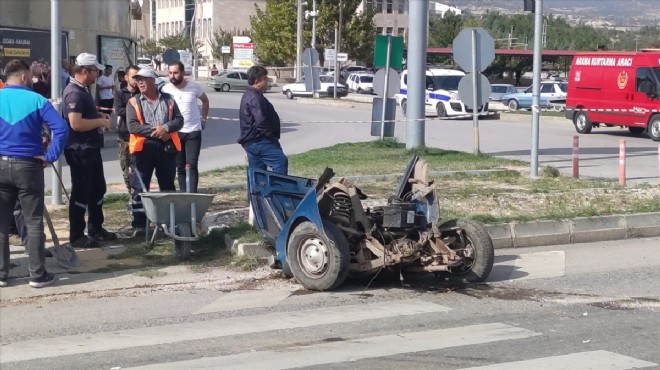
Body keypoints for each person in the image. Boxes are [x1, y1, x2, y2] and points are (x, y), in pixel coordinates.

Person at [0, 59, 68, 288]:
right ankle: (37, 275)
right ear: (22, 77)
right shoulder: (36, 100)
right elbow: (60, 128)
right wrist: (50, 156)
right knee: (33, 222)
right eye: (30, 76)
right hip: (29, 166)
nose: (32, 79)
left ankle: (2, 274)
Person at [62, 53, 116, 248]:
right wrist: (100, 121)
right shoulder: (74, 92)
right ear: (84, 71)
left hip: (90, 148)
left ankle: (96, 228)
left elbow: (84, 116)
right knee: (82, 192)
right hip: (80, 150)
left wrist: (97, 114)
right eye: (95, 70)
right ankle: (77, 235)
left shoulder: (82, 90)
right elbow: (75, 123)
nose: (98, 74)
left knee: (97, 189)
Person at [125, 68, 184, 235]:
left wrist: (166, 128)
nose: (140, 82)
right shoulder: (134, 102)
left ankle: (168, 222)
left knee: (167, 185)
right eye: (138, 80)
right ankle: (140, 225)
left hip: (166, 148)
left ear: (153, 81)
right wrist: (156, 131)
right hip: (143, 149)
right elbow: (133, 126)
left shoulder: (169, 100)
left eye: (143, 79)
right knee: (140, 187)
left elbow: (179, 120)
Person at [161, 61, 210, 193]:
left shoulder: (194, 87)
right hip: (175, 133)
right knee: (180, 166)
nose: (172, 76)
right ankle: (184, 194)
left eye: (175, 73)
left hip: (193, 130)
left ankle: (192, 194)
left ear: (182, 73)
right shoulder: (165, 89)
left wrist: (204, 119)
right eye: (170, 73)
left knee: (192, 164)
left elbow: (205, 101)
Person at [238, 65, 288, 175]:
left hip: (252, 141)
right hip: (259, 141)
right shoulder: (254, 98)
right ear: (257, 81)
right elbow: (261, 121)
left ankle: (258, 192)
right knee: (280, 161)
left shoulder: (251, 94)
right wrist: (270, 135)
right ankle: (279, 190)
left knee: (258, 174)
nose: (267, 82)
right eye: (265, 79)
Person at [113, 65, 140, 195]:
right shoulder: (120, 94)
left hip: (139, 136)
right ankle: (130, 193)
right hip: (124, 137)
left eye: (138, 77)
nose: (136, 80)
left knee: (138, 168)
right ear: (126, 77)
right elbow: (119, 110)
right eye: (134, 77)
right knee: (125, 167)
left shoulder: (141, 94)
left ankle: (137, 193)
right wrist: (135, 111)